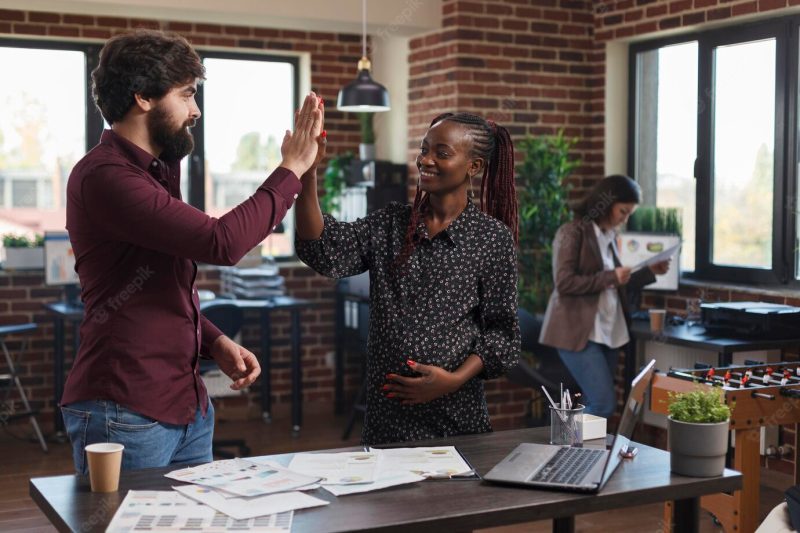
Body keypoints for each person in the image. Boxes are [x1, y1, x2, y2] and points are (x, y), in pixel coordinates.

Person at [60, 29, 322, 473]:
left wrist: (214, 341)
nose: (195, 110)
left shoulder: (156, 171)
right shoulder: (106, 177)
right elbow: (222, 241)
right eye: (186, 95)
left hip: (187, 408)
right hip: (125, 410)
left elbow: (161, 289)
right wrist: (292, 167)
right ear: (143, 97)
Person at [295, 112, 521, 445]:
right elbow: (323, 248)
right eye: (424, 149)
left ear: (473, 167)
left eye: (441, 153)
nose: (426, 160)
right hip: (389, 425)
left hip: (457, 422)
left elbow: (503, 335)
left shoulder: (491, 238)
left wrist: (453, 379)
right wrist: (308, 171)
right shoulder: (390, 224)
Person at [539, 175, 669, 419]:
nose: (625, 218)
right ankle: (562, 444)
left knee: (594, 407)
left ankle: (582, 455)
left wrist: (650, 272)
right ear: (606, 203)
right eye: (623, 211)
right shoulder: (572, 232)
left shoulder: (608, 238)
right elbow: (564, 282)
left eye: (629, 213)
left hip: (607, 333)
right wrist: (611, 277)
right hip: (577, 333)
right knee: (602, 405)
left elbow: (616, 284)